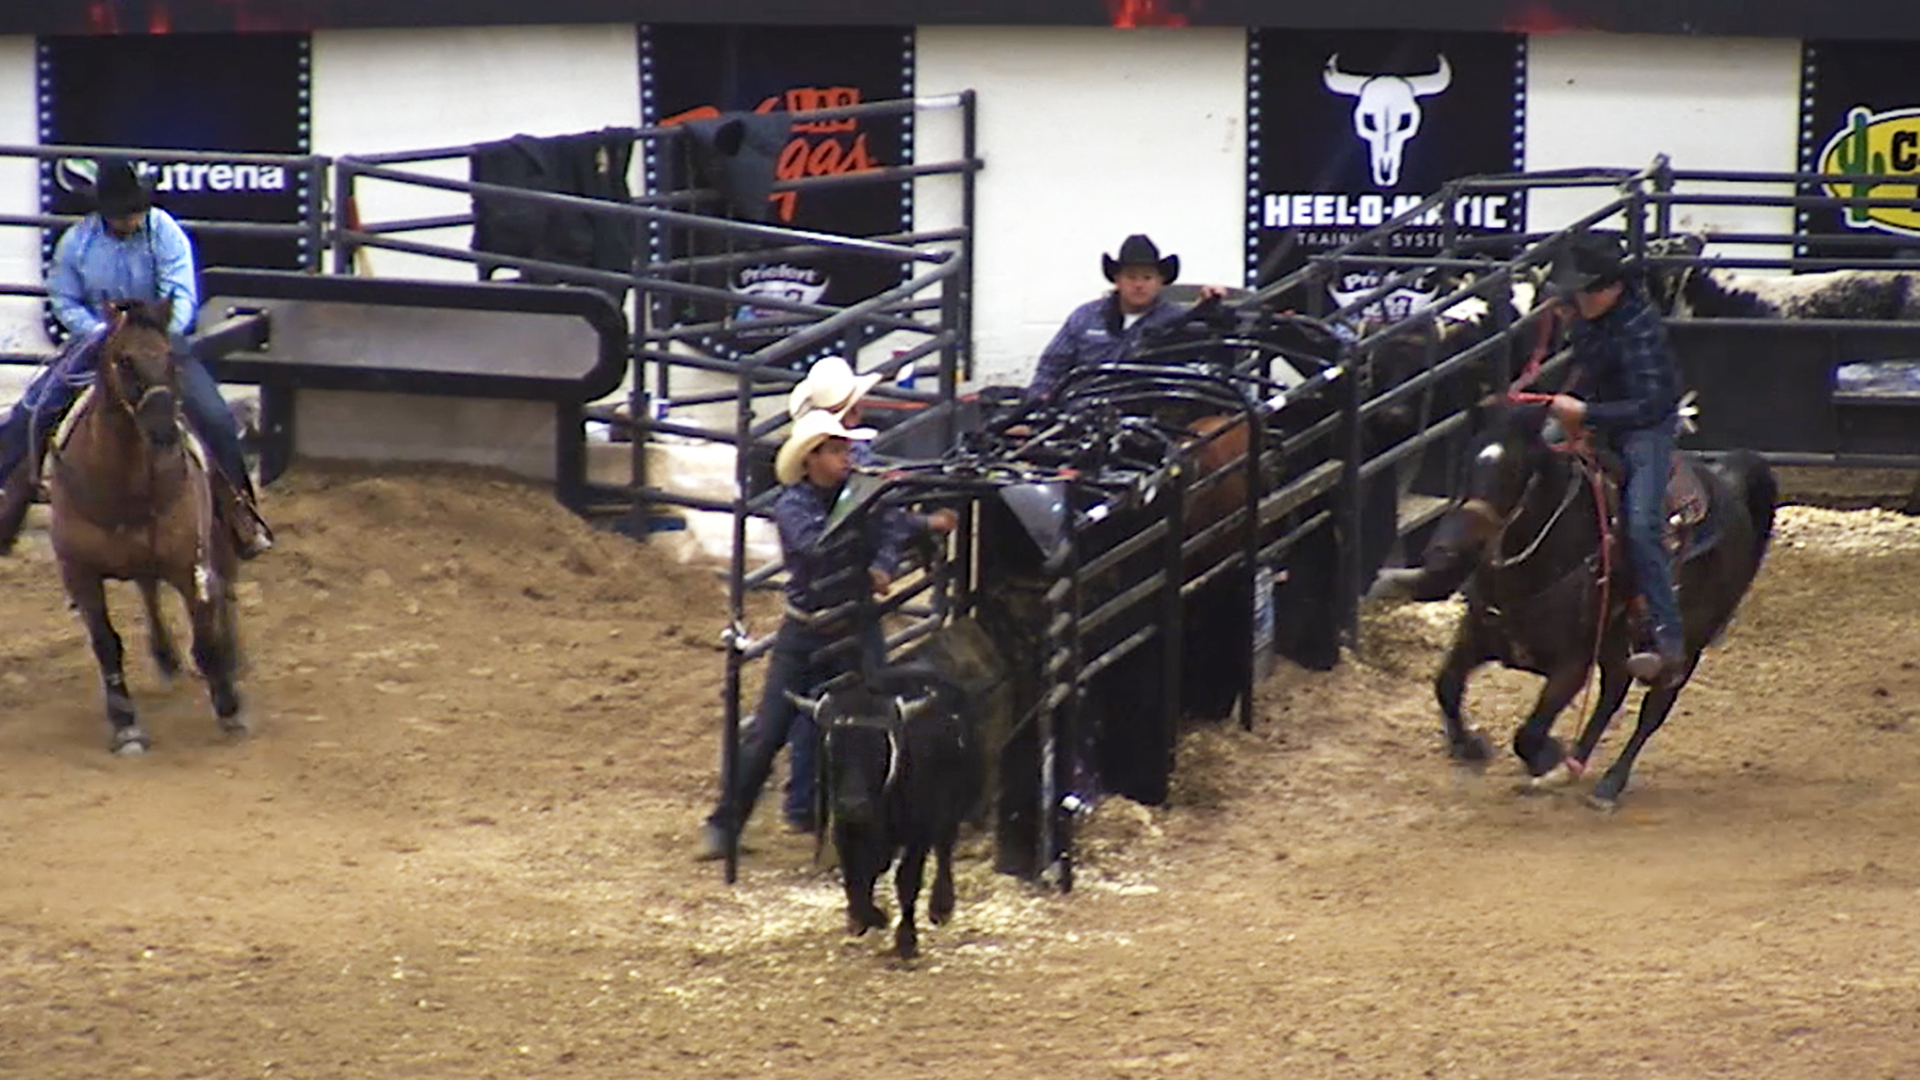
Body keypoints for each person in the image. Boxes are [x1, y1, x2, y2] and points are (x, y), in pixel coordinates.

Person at [699, 408, 958, 860]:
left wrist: (886, 559)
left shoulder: (857, 496)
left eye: (844, 449)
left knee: (876, 722)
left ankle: (880, 822)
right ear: (811, 459)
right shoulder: (794, 505)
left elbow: (889, 526)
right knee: (769, 731)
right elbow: (820, 546)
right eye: (835, 450)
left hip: (853, 624)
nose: (846, 457)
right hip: (808, 630)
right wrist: (878, 550)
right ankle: (725, 822)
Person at [0, 158, 271, 558]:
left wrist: (155, 334)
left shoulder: (165, 234)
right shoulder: (77, 242)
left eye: (134, 211)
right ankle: (9, 498)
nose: (129, 220)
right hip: (99, 339)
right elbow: (64, 298)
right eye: (121, 213)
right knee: (35, 408)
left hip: (158, 340)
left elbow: (181, 295)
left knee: (212, 415)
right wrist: (98, 332)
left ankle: (239, 512)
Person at [1543, 230, 1685, 688]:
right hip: (1600, 419)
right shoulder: (1588, 320)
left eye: (1580, 290)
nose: (1574, 298)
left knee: (1642, 523)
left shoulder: (1641, 327)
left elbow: (1652, 403)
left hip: (1644, 430)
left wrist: (1586, 413)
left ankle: (1667, 635)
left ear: (1608, 287)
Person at [1026, 233, 1229, 404]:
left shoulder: (1179, 321)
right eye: (1131, 277)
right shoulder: (1084, 317)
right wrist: (1037, 404)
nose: (1139, 285)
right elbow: (1051, 367)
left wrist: (1207, 306)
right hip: (1082, 414)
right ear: (1117, 280)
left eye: (1147, 277)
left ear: (1160, 282)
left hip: (1149, 418)